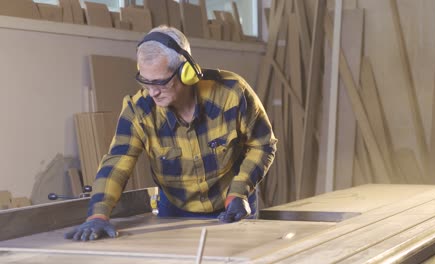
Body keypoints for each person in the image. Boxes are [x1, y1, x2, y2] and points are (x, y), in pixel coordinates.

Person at [65, 26, 277, 241]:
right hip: (175, 209)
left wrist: (239, 191)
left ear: (187, 72)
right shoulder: (139, 110)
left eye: (160, 82)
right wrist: (98, 214)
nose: (153, 91)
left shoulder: (231, 94)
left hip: (232, 204)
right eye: (145, 81)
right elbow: (118, 161)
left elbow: (263, 145)